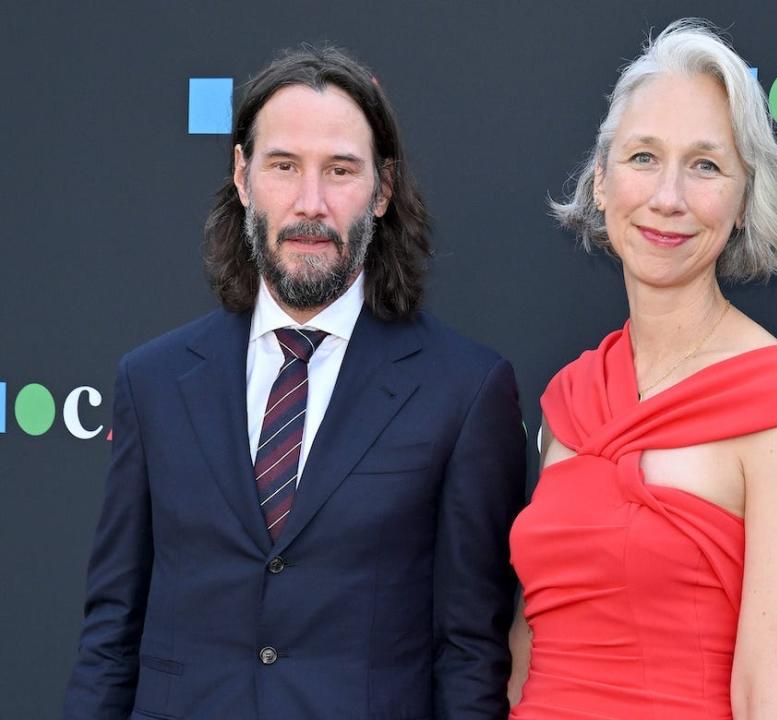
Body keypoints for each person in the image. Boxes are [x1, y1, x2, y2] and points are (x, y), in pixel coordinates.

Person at [63, 45, 526, 720]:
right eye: (284, 167)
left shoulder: (464, 392)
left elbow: (469, 655)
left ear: (383, 189)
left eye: (340, 170)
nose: (311, 203)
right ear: (243, 176)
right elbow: (111, 632)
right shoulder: (153, 383)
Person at [508, 20, 777, 720]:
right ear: (600, 183)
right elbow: (528, 649)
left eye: (706, 166)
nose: (668, 198)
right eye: (642, 158)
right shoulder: (569, 399)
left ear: (745, 199)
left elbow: (764, 702)